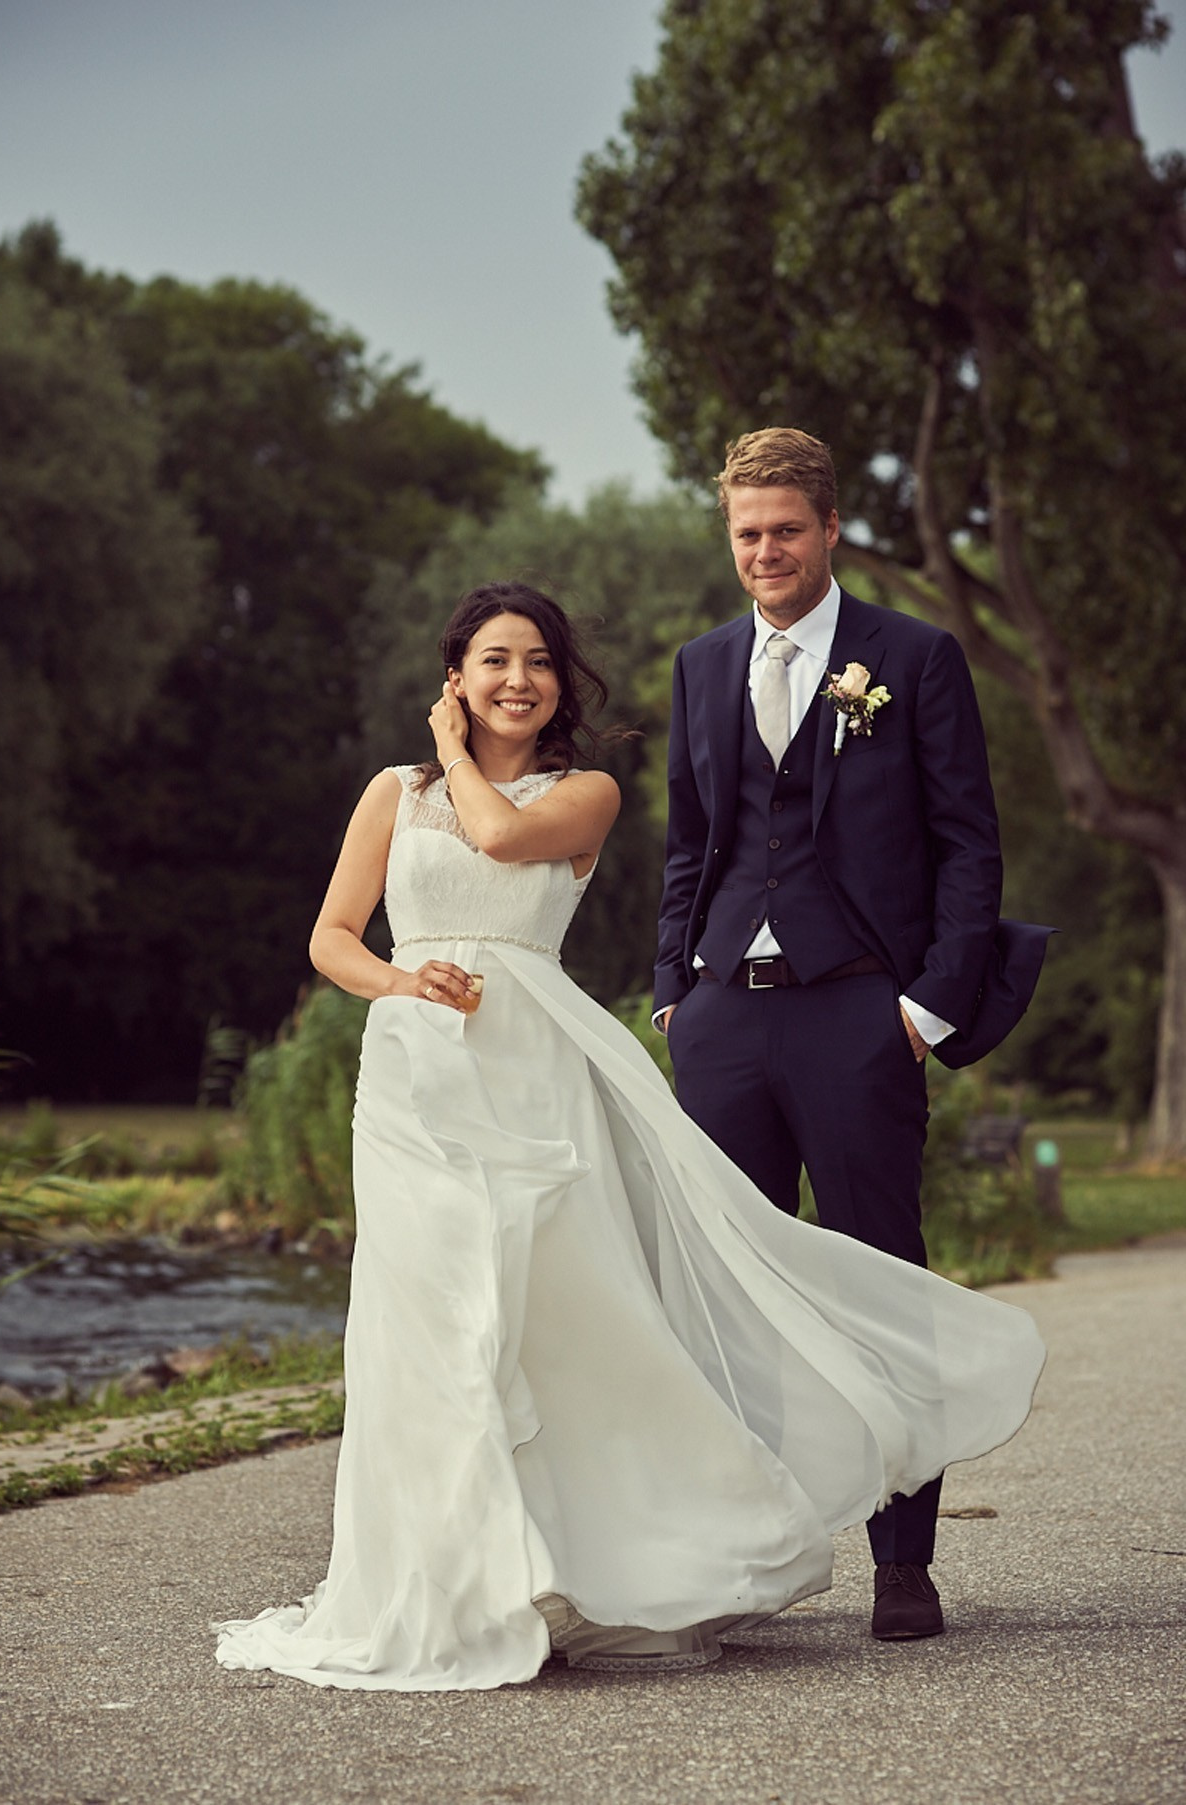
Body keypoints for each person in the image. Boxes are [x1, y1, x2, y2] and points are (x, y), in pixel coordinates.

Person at [214, 580, 1044, 1693]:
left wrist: (449, 748)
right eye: (494, 659)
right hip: (416, 1075)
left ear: (561, 683)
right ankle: (453, 1581)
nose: (518, 679)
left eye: (538, 662)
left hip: (535, 1071)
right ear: (456, 671)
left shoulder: (586, 790)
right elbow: (330, 934)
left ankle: (590, 1569)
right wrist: (400, 979)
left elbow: (502, 836)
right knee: (427, 1318)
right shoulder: (387, 794)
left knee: (555, 1316)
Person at [654, 429, 1050, 1641]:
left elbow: (967, 841)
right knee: (728, 1293)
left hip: (860, 1010)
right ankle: (751, 1562)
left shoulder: (913, 657)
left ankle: (903, 1565)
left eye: (784, 530)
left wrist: (927, 1005)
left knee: (882, 1277)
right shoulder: (703, 663)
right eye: (746, 534)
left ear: (828, 531)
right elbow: (688, 841)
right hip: (723, 1012)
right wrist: (674, 985)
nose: (764, 551)